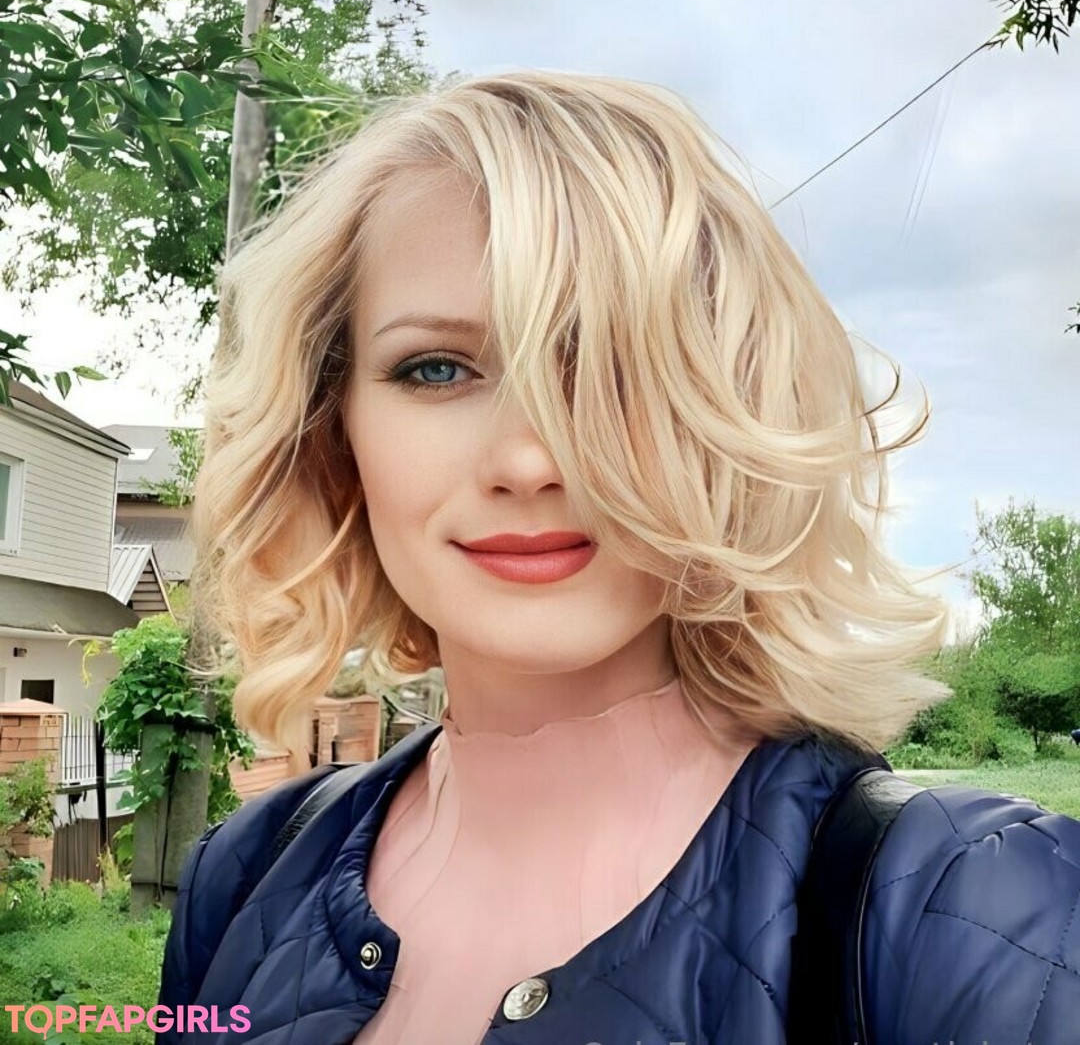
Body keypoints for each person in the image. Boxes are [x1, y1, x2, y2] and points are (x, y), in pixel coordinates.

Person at [158, 71, 1080, 1045]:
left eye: (611, 364)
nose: (528, 461)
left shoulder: (978, 918)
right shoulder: (239, 878)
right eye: (437, 368)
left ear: (729, 414)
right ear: (333, 428)